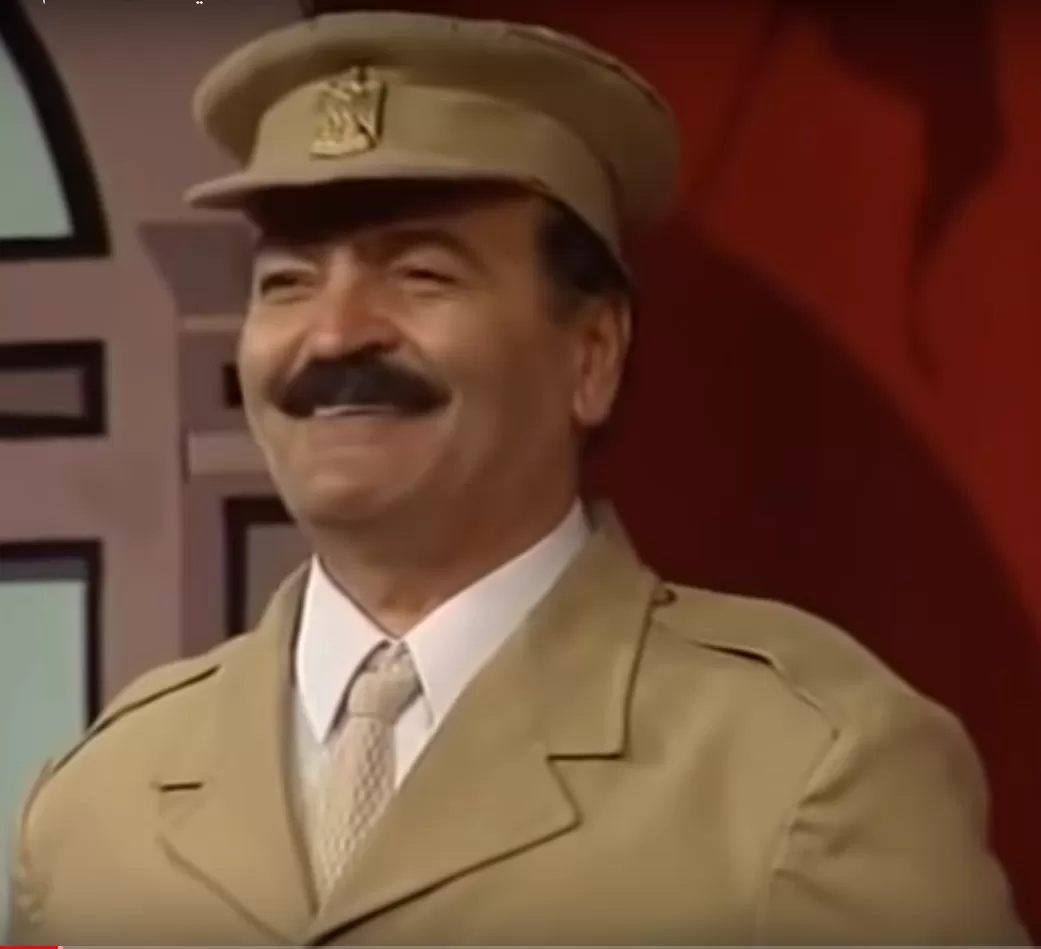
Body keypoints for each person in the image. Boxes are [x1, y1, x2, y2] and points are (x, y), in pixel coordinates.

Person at [5, 10, 1029, 946]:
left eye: (422, 273)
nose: (334, 334)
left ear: (592, 355)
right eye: (287, 283)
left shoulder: (810, 768)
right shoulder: (96, 800)